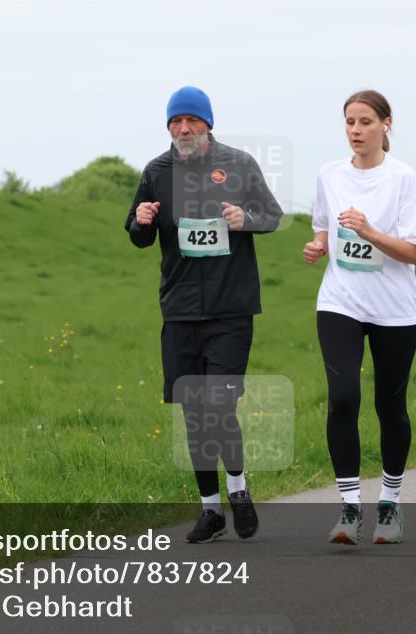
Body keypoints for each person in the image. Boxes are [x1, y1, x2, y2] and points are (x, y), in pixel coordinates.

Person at [125, 86, 283, 543]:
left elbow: (271, 215)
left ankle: (238, 490)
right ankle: (210, 510)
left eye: (192, 120)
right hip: (179, 310)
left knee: (219, 405)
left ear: (208, 124)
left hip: (231, 308)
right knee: (194, 412)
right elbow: (136, 234)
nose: (184, 128)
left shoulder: (238, 164)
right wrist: (142, 219)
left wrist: (243, 219)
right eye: (176, 122)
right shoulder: (157, 171)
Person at [302, 89, 416, 545]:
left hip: (394, 309)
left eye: (365, 122)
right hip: (340, 302)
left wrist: (370, 232)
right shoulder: (329, 175)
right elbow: (323, 225)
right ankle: (350, 508)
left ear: (386, 125)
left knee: (390, 407)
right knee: (343, 397)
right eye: (350, 122)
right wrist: (319, 245)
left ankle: (390, 505)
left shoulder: (403, 179)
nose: (356, 131)